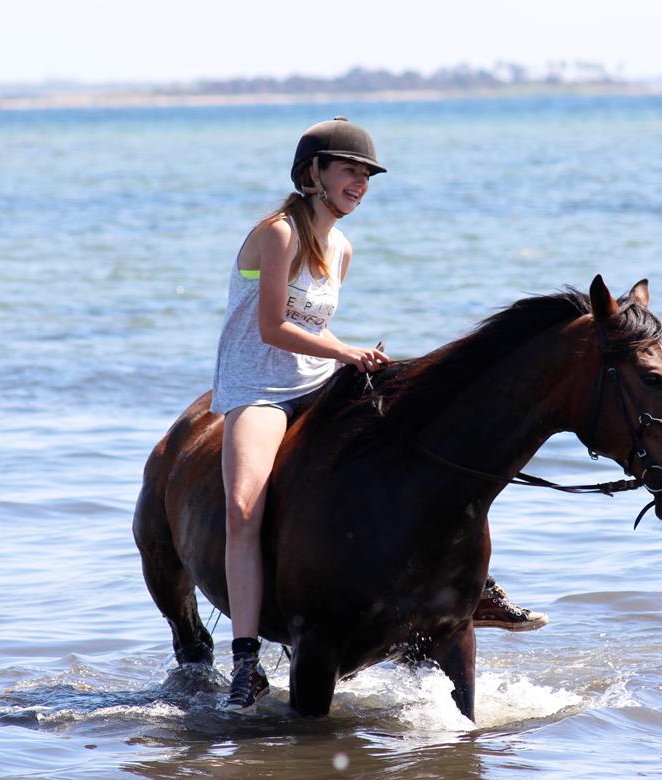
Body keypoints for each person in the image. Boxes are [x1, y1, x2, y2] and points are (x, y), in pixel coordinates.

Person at [211, 117, 547, 710]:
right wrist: (345, 350)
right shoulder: (278, 233)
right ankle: (243, 660)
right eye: (351, 170)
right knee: (243, 507)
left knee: (421, 448)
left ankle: (471, 585)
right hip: (259, 389)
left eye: (367, 175)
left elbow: (312, 324)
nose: (361, 183)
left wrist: (350, 360)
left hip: (318, 380)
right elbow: (272, 327)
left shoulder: (341, 248)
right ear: (314, 173)